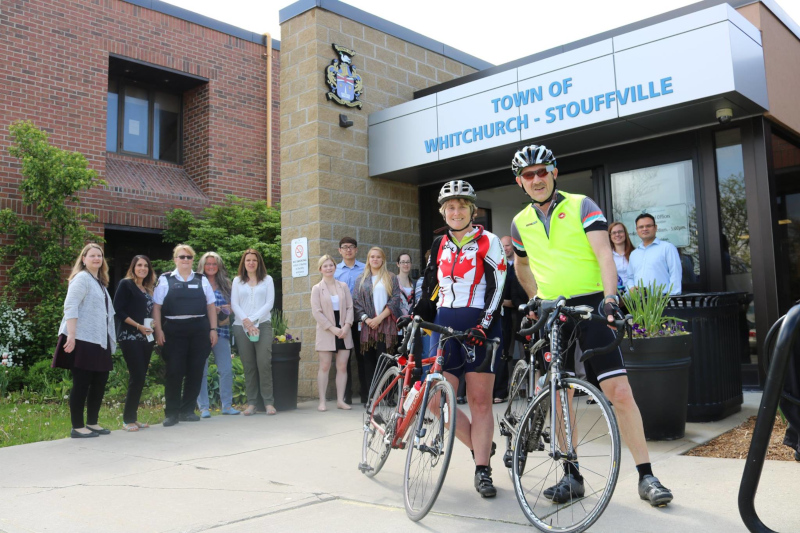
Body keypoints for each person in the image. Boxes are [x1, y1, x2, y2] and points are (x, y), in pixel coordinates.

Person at [509, 144, 673, 506]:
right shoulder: (520, 222)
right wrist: (536, 297)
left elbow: (603, 254)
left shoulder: (582, 205)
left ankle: (647, 476)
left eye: (541, 172)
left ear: (554, 173)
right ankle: (572, 475)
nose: (535, 179)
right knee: (560, 395)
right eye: (527, 175)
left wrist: (611, 298)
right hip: (554, 312)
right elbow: (521, 264)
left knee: (619, 392)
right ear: (520, 182)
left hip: (592, 303)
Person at [416, 180, 506, 498]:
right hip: (444, 327)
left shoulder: (489, 240)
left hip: (480, 326)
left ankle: (482, 469)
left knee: (480, 402)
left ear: (473, 210)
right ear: (444, 211)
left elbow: (498, 288)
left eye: (461, 206)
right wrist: (421, 309)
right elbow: (431, 284)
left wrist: (483, 324)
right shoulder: (439, 243)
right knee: (438, 400)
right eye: (450, 207)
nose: (456, 212)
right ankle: (480, 444)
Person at [52, 243, 116, 438]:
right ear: (84, 259)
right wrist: (71, 335)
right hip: (82, 338)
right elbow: (70, 306)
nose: (97, 258)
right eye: (92, 255)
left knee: (99, 381)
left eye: (100, 255)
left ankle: (92, 422)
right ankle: (77, 427)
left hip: (98, 340)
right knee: (82, 383)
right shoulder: (81, 278)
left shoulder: (99, 282)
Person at [152, 244, 218, 427]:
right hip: (174, 330)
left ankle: (187, 410)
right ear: (175, 259)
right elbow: (156, 307)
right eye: (182, 257)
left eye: (189, 257)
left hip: (199, 329)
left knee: (196, 371)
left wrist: (213, 330)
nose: (185, 260)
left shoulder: (202, 280)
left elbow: (210, 306)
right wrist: (158, 330)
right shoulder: (165, 280)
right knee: (174, 371)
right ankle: (171, 413)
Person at [352, 246, 403, 407]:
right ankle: (372, 397)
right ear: (368, 259)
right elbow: (356, 302)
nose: (375, 259)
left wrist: (379, 318)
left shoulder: (391, 277)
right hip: (367, 328)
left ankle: (388, 396)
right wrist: (367, 319)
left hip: (386, 327)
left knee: (387, 362)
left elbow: (395, 299)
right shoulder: (361, 279)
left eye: (378, 257)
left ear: (383, 260)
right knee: (368, 363)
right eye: (372, 257)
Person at [113, 255, 156, 432]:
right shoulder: (126, 284)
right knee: (136, 375)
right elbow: (118, 310)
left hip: (146, 337)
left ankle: (133, 417)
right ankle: (126, 420)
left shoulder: (146, 289)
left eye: (146, 265)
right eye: (139, 265)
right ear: (133, 267)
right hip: (129, 336)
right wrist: (138, 326)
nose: (143, 268)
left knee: (140, 377)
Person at [231, 248, 276, 416]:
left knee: (264, 363)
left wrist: (253, 320)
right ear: (244, 263)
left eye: (254, 260)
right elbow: (234, 304)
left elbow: (269, 303)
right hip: (241, 326)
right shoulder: (237, 281)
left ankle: (268, 402)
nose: (251, 263)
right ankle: (251, 403)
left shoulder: (267, 280)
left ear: (259, 263)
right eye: (248, 260)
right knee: (249, 366)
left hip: (262, 325)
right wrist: (247, 322)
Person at [196, 252, 240, 417]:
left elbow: (233, 306)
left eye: (214, 264)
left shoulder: (226, 284)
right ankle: (204, 408)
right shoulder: (197, 282)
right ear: (203, 265)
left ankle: (227, 406)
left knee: (226, 369)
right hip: (201, 332)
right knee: (202, 370)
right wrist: (209, 310)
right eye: (208, 264)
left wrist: (223, 309)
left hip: (221, 331)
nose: (211, 267)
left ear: (219, 266)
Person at [311, 254, 354, 411]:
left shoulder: (343, 286)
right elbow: (317, 312)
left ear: (335, 267)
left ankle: (340, 400)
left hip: (344, 328)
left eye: (331, 265)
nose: (328, 268)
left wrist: (347, 326)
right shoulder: (317, 288)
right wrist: (332, 328)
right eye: (325, 266)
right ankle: (322, 401)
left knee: (342, 366)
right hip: (326, 330)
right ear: (320, 269)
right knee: (325, 365)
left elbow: (350, 307)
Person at [493, 235, 525, 404]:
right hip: (503, 315)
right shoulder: (499, 267)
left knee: (523, 351)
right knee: (504, 353)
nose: (506, 248)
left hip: (521, 312)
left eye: (508, 245)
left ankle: (524, 388)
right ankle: (500, 391)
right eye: (503, 246)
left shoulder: (522, 265)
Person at [335, 237, 365, 405]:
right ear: (340, 250)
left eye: (351, 247)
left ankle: (365, 393)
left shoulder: (364, 268)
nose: (348, 250)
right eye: (344, 247)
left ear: (356, 249)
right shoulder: (335, 270)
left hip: (361, 316)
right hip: (342, 319)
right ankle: (345, 395)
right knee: (344, 358)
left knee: (362, 355)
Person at [626, 213, 682, 295]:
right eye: (641, 227)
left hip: (662, 300)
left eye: (648, 226)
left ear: (655, 228)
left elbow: (675, 274)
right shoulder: (634, 254)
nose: (644, 229)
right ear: (637, 230)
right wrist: (631, 288)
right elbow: (630, 277)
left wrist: (672, 297)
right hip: (639, 301)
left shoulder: (667, 248)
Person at [609, 221, 635, 292]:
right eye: (614, 233)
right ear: (610, 236)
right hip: (616, 295)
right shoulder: (608, 256)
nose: (617, 234)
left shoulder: (635, 253)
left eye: (620, 231)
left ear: (625, 234)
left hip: (634, 294)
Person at [396, 252, 416, 316]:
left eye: (408, 262)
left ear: (411, 264)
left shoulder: (415, 284)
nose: (405, 264)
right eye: (403, 262)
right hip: (397, 320)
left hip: (412, 322)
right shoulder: (393, 282)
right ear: (398, 264)